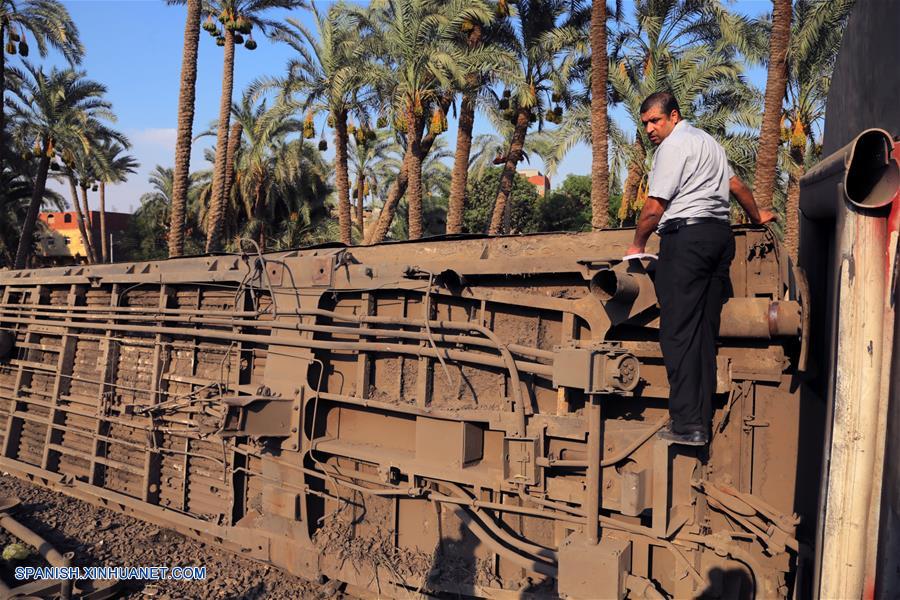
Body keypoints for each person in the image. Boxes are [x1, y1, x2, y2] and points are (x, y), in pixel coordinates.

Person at [625, 91, 775, 446]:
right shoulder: (708, 143)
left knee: (677, 332)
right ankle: (700, 420)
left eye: (655, 121)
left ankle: (688, 424)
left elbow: (655, 206)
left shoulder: (673, 147)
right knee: (703, 334)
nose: (649, 129)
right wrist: (757, 216)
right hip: (719, 238)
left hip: (687, 239)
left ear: (673, 116)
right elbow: (735, 185)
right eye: (644, 122)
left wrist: (638, 245)